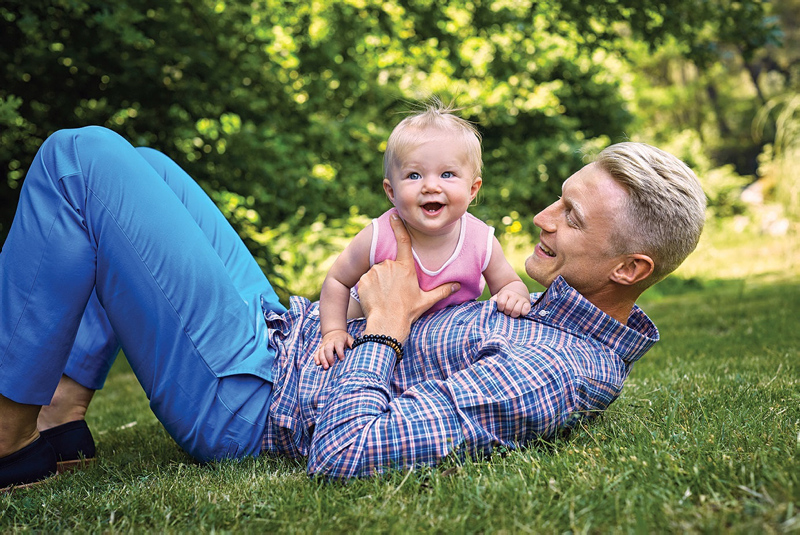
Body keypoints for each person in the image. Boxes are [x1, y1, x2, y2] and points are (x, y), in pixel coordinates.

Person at [0, 124, 706, 489]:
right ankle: (62, 420)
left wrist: (389, 326)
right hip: (281, 333)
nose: (544, 217)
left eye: (572, 218)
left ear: (631, 268)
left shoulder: (553, 370)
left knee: (79, 158)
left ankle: (7, 438)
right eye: (560, 197)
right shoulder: (547, 310)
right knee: (145, 164)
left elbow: (347, 452)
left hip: (251, 399)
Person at [316, 102, 530, 369]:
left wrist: (514, 295)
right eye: (414, 175)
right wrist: (333, 331)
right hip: (368, 328)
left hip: (439, 340)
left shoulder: (480, 241)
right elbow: (337, 279)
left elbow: (510, 283)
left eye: (447, 174)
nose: (430, 186)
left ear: (473, 189)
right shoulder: (379, 235)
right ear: (391, 191)